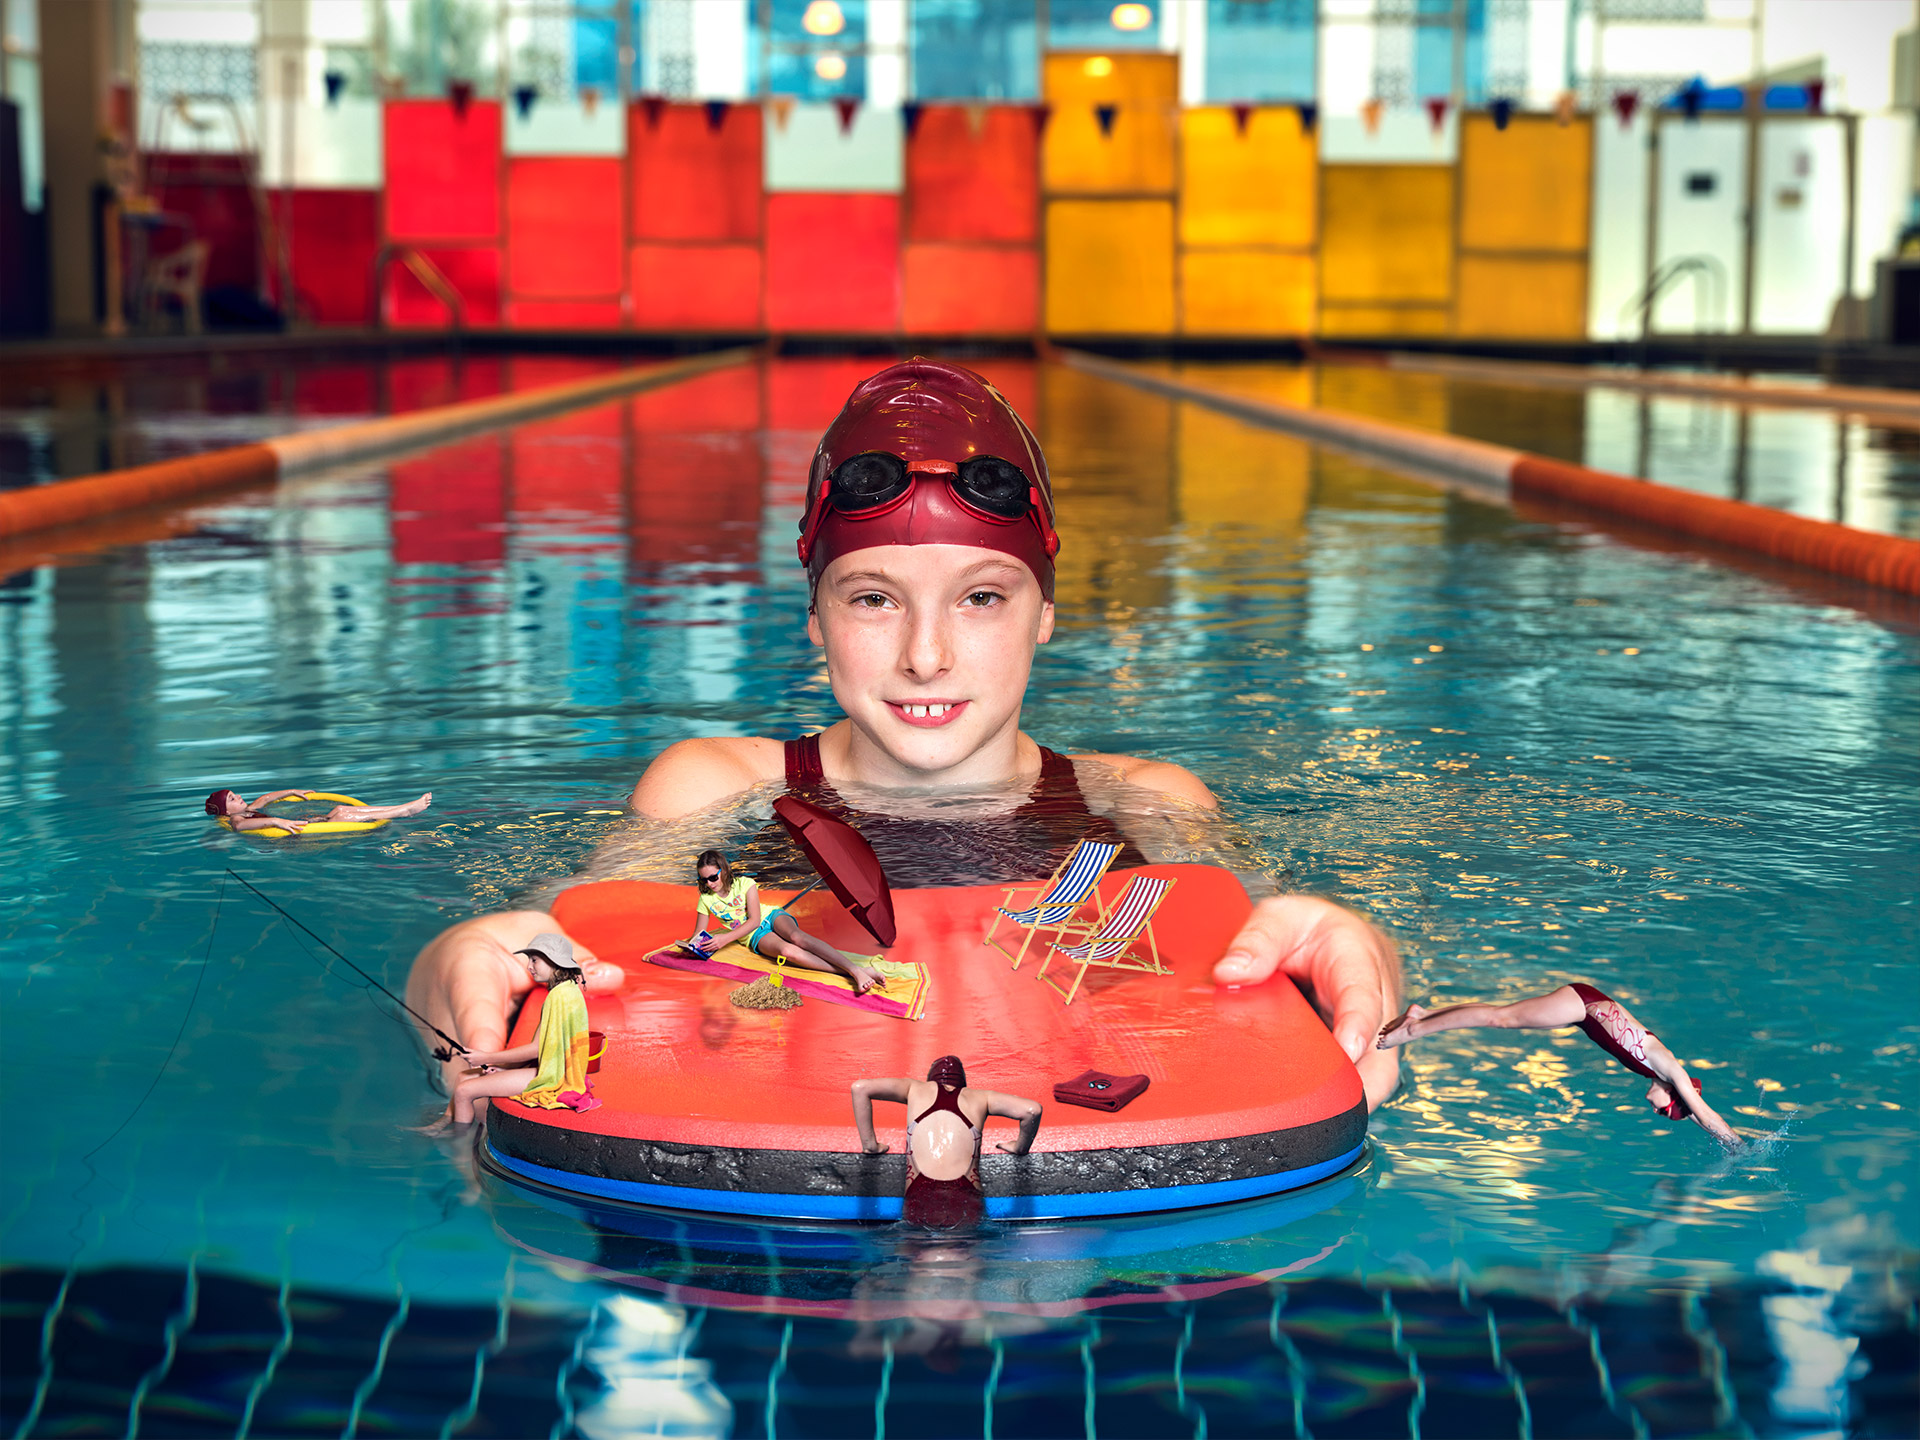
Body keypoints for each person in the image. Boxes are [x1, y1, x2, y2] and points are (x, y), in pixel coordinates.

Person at [407, 359, 1404, 1110]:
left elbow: (1271, 952)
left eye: (981, 597)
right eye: (874, 598)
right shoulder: (714, 788)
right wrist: (458, 957)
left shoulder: (1144, 804)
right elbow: (565, 940)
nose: (927, 657)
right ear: (814, 617)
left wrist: (1364, 957)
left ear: (1046, 614)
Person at [1375, 983, 1740, 1147]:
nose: (1655, 1111)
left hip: (1583, 1010)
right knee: (1500, 1019)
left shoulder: (1660, 1072)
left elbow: (1697, 1115)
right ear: (1674, 1095)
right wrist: (1737, 1144)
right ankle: (1414, 1030)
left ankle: (1424, 1014)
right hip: (1582, 1007)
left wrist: (1717, 1136)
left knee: (1502, 1015)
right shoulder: (1670, 1069)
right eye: (1664, 1112)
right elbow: (1704, 1112)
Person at [420, 932, 602, 1133]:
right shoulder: (566, 990)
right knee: (464, 1076)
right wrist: (503, 1069)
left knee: (465, 1090)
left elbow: (535, 1049)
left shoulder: (559, 997)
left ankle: (458, 1144)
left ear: (553, 960)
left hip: (554, 1078)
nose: (529, 966)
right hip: (550, 1068)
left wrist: (487, 1058)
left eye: (534, 960)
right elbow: (549, 1049)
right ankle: (442, 1124)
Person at [851, 1056, 1043, 1228]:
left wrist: (870, 1146)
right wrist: (1020, 1147)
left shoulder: (914, 1088)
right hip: (965, 1193)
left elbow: (860, 1088)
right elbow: (1032, 1110)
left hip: (920, 1191)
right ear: (963, 1083)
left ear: (930, 1079)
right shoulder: (981, 1097)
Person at [690, 848, 885, 995]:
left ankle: (854, 969)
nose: (710, 884)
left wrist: (724, 939)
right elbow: (699, 933)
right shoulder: (706, 899)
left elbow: (755, 920)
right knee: (788, 952)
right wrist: (693, 945)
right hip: (753, 936)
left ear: (724, 870)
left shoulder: (745, 884)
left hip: (769, 916)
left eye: (713, 877)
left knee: (797, 937)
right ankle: (857, 971)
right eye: (704, 880)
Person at [206, 786, 431, 834]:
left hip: (304, 824)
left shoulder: (248, 809)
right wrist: (276, 821)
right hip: (293, 837)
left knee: (340, 808)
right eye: (233, 799)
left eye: (236, 794)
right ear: (226, 811)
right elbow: (241, 827)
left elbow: (266, 798)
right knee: (344, 815)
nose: (239, 797)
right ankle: (403, 811)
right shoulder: (235, 820)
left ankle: (401, 807)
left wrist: (291, 791)